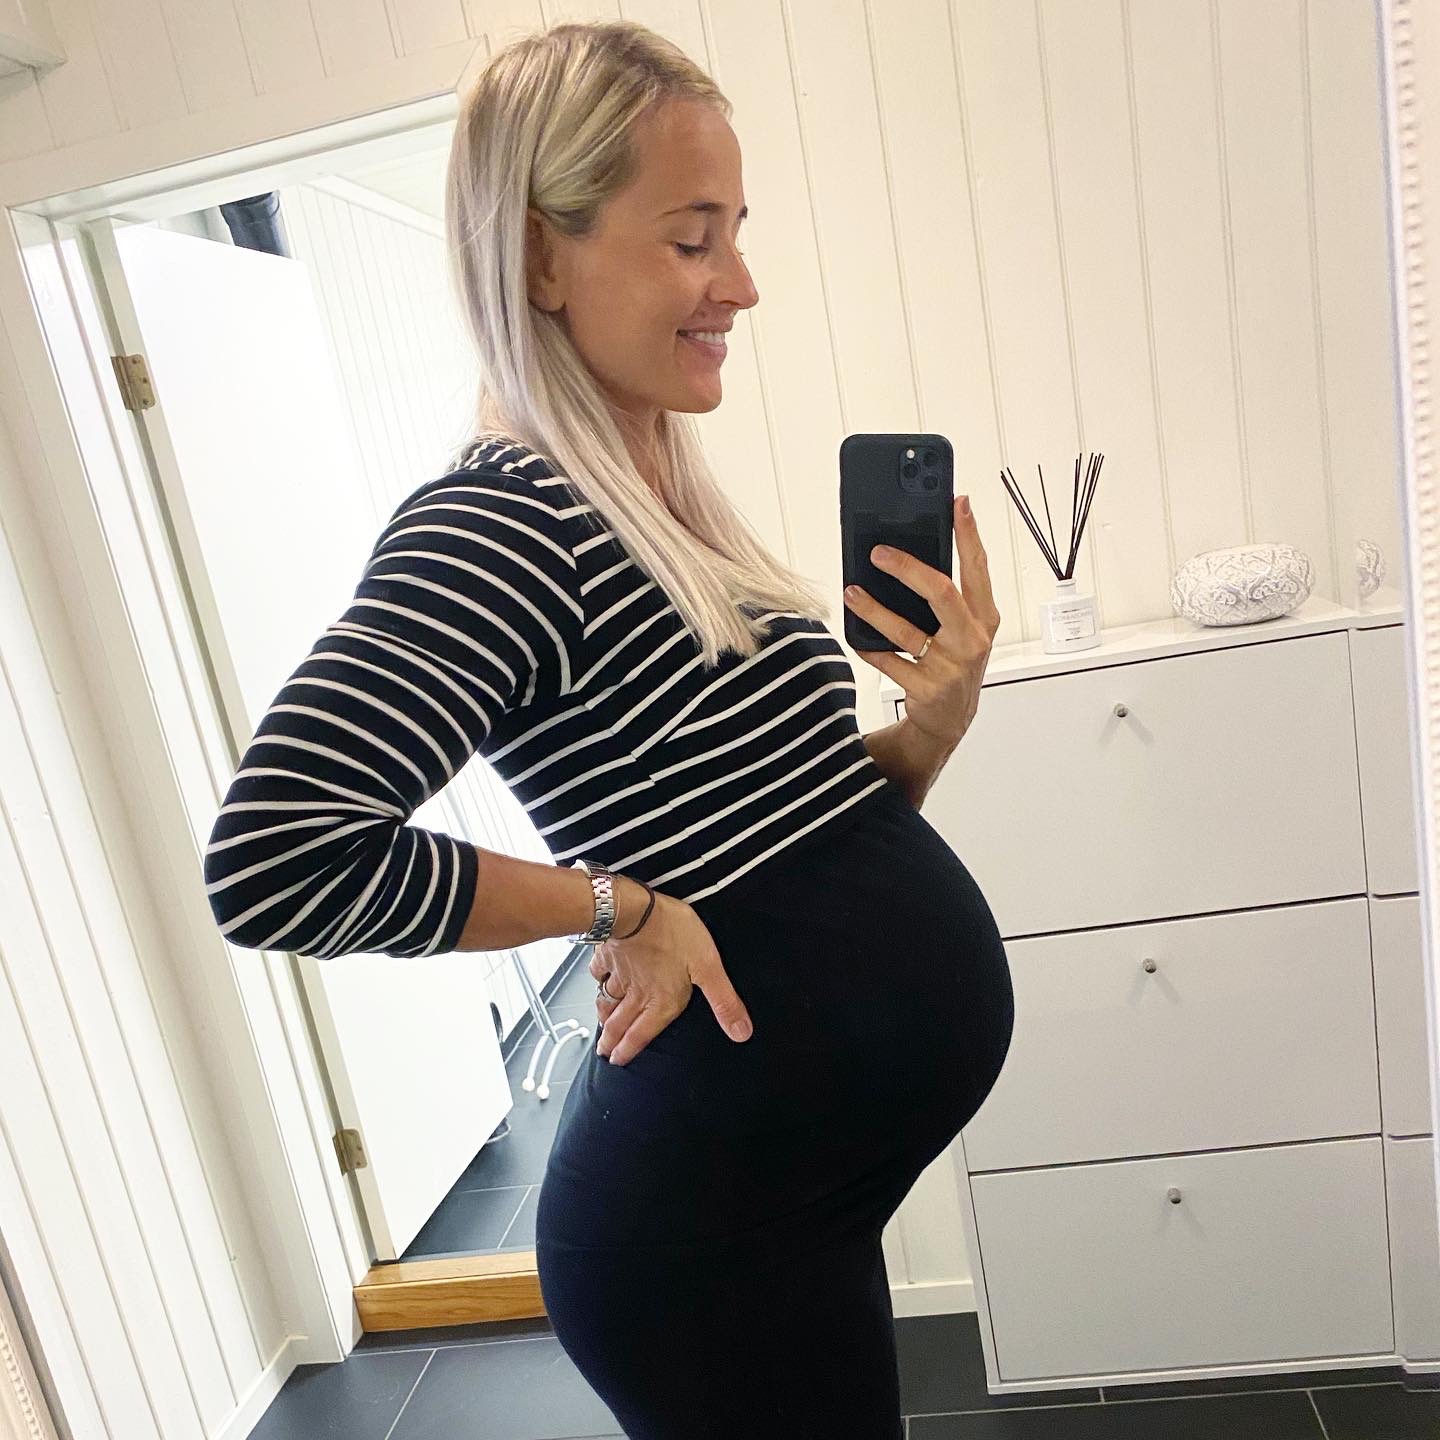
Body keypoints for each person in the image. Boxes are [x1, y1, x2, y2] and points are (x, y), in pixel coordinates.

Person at [202, 18, 1014, 1438]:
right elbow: (276, 858)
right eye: (693, 239)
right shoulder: (501, 522)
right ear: (540, 257)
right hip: (700, 1246)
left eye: (737, 234)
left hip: (796, 1202)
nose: (741, 284)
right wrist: (615, 907)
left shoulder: (658, 491)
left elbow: (790, 831)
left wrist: (928, 734)